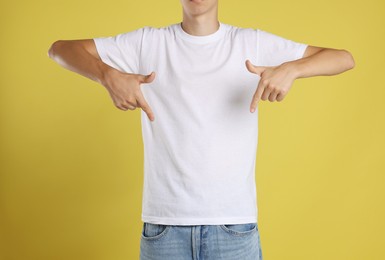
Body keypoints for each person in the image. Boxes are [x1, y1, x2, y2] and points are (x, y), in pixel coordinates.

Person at [48, 0, 355, 259]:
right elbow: (60, 49)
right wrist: (108, 75)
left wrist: (292, 69)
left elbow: (343, 58)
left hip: (234, 228)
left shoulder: (252, 43)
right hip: (164, 229)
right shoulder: (148, 43)